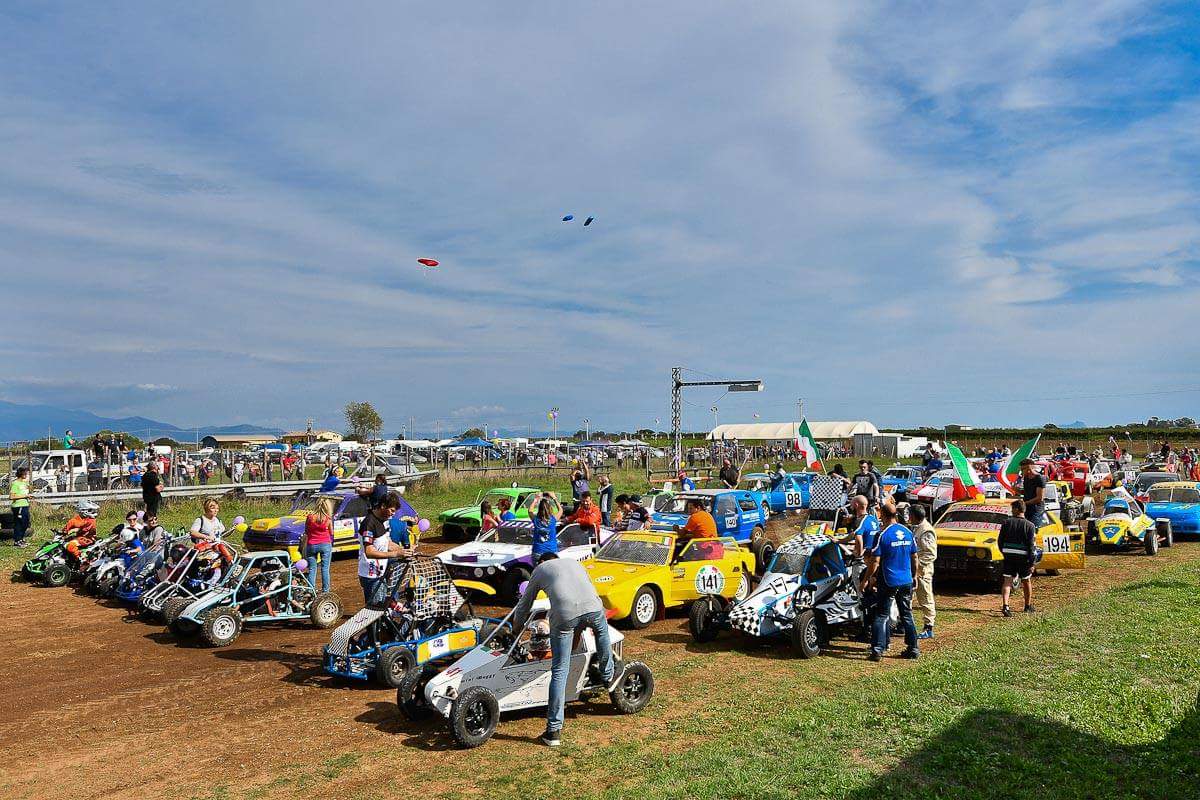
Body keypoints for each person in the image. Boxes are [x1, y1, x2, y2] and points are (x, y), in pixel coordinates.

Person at [510, 554, 619, 747]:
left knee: (560, 670)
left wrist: (515, 631)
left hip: (564, 615)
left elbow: (524, 605)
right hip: (593, 607)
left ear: (542, 562)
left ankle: (553, 731)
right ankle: (608, 675)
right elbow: (587, 591)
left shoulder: (540, 570)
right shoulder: (574, 563)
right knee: (601, 632)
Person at [864, 503, 919, 661]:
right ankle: (913, 648)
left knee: (881, 614)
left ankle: (877, 649)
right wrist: (914, 575)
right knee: (906, 614)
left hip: (888, 580)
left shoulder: (882, 535)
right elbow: (914, 557)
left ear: (882, 514)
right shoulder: (908, 532)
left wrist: (867, 579)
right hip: (906, 580)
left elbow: (875, 561)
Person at [357, 492, 409, 605]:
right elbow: (369, 552)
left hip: (380, 573)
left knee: (381, 608)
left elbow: (387, 543)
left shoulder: (384, 521)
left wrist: (404, 551)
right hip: (371, 575)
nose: (393, 514)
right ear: (383, 506)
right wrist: (396, 554)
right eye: (392, 510)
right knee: (376, 610)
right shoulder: (369, 523)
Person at [999, 499, 1037, 616]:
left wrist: (1004, 552)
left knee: (1007, 582)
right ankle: (1027, 606)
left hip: (1009, 556)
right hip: (1023, 557)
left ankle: (1006, 606)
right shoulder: (1030, 525)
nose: (1011, 511)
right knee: (1026, 581)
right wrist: (1032, 563)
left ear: (1016, 509)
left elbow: (1000, 541)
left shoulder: (1006, 523)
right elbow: (1031, 546)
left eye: (1012, 509)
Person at [909, 504, 937, 639]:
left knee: (925, 598)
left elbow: (930, 554)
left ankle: (928, 626)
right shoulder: (916, 528)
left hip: (922, 571)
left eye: (909, 515)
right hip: (912, 570)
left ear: (914, 516)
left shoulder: (926, 530)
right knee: (908, 597)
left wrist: (918, 566)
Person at [301, 497, 335, 592]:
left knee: (312, 569)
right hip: (325, 544)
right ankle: (326, 591)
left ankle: (311, 590)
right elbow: (331, 533)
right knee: (325, 569)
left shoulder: (310, 517)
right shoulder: (328, 518)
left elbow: (306, 531)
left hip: (311, 545)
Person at [530, 492, 562, 562]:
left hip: (538, 551)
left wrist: (535, 499)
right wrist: (554, 498)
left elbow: (530, 511)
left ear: (539, 509)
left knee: (538, 572)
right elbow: (561, 510)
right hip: (551, 552)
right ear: (550, 509)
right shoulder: (553, 520)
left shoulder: (536, 520)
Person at [1018, 459, 1047, 527]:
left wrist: (1024, 503)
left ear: (1029, 468)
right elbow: (1026, 492)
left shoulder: (1040, 478)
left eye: (1023, 469)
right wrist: (1016, 490)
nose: (1021, 471)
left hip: (1036, 510)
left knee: (1033, 529)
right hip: (1026, 508)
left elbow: (1039, 498)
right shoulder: (1026, 477)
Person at [9, 467, 31, 546]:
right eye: (24, 473)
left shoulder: (25, 483)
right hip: (18, 506)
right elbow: (11, 497)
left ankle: (21, 539)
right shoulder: (15, 483)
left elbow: (24, 493)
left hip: (25, 505)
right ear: (20, 473)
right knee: (19, 523)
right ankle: (17, 541)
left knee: (26, 523)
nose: (26, 475)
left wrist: (28, 496)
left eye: (27, 473)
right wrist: (24, 496)